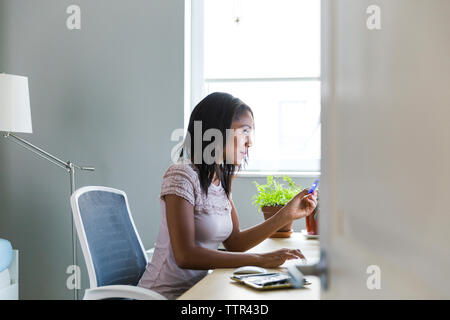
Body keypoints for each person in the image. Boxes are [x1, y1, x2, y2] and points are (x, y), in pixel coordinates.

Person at [138, 92, 317, 299]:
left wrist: (286, 215)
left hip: (199, 292)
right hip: (162, 295)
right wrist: (259, 259)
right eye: (244, 131)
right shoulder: (181, 175)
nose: (249, 142)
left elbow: (235, 243)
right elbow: (185, 255)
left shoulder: (221, 179)